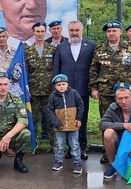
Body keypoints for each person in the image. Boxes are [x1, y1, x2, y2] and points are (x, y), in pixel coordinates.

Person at [90, 20, 131, 163]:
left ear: (120, 32)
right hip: (106, 91)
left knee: (128, 120)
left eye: (114, 31)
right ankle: (108, 152)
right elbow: (93, 69)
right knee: (107, 121)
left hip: (126, 92)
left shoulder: (130, 47)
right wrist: (94, 88)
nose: (111, 33)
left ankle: (127, 150)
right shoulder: (100, 49)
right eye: (109, 31)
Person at [53, 20, 95, 160]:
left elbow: (93, 68)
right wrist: (56, 88)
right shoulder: (61, 47)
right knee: (65, 119)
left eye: (77, 30)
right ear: (68, 31)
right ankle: (70, 149)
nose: (74, 33)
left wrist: (92, 86)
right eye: (72, 30)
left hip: (83, 89)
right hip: (65, 91)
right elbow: (56, 69)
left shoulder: (90, 46)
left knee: (81, 119)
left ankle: (82, 148)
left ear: (81, 30)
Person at [25, 21, 56, 143]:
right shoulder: (28, 51)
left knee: (50, 118)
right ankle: (32, 144)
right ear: (33, 32)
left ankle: (54, 144)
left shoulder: (52, 49)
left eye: (42, 31)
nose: (40, 34)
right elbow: (26, 72)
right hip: (33, 91)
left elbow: (56, 69)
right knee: (32, 118)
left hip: (49, 91)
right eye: (37, 31)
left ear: (46, 32)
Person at [47, 74, 84, 174]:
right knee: (59, 145)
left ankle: (77, 163)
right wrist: (56, 123)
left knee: (75, 144)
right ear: (55, 86)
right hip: (60, 126)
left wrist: (79, 118)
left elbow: (80, 105)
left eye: (63, 84)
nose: (61, 86)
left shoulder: (74, 93)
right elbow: (50, 111)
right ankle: (58, 162)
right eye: (58, 85)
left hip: (73, 125)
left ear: (67, 84)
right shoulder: (52, 97)